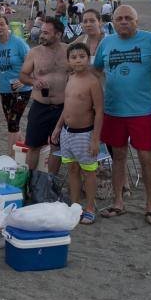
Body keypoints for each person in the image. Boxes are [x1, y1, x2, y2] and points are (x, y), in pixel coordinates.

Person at [93, 5, 151, 224]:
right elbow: (96, 69)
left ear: (136, 19)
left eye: (128, 18)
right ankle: (118, 202)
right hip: (114, 109)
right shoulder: (107, 42)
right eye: (119, 18)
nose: (123, 21)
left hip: (141, 111)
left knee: (145, 158)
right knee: (119, 157)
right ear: (112, 21)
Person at [50, 43, 104, 225]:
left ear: (88, 59)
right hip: (67, 133)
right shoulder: (70, 78)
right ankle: (75, 206)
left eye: (82, 56)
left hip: (85, 134)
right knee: (72, 169)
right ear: (69, 61)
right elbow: (67, 106)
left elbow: (99, 111)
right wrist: (58, 127)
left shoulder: (93, 82)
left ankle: (89, 207)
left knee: (89, 172)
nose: (78, 60)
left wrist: (95, 139)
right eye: (74, 57)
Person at [19, 17, 69, 173]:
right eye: (42, 32)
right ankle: (30, 182)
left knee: (56, 147)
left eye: (46, 33)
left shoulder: (69, 51)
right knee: (33, 146)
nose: (41, 36)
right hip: (40, 106)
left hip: (62, 108)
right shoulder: (34, 52)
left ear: (58, 34)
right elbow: (23, 75)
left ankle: (50, 182)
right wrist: (33, 82)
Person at [0, 14, 32, 155]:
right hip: (4, 89)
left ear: (7, 26)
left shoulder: (18, 42)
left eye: (2, 24)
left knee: (12, 124)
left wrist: (24, 80)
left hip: (22, 89)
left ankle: (11, 157)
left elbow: (32, 61)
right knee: (12, 122)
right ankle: (23, 152)